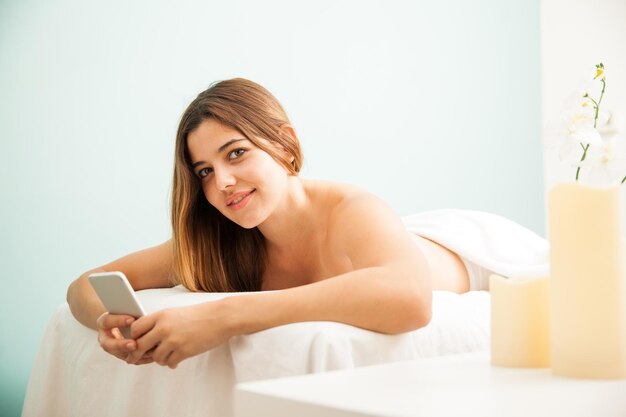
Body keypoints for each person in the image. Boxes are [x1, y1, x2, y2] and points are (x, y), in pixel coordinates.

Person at [66, 78, 471, 369]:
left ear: (283, 143)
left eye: (237, 153)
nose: (222, 182)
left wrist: (224, 316)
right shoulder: (219, 241)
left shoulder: (351, 209)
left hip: (471, 249)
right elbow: (85, 285)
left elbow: (412, 299)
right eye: (204, 171)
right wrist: (110, 324)